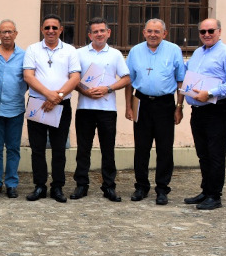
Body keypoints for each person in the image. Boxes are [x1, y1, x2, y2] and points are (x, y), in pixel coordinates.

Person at [124, 19, 187, 205]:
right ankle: (141, 186)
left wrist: (179, 107)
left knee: (164, 148)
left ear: (164, 34)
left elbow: (180, 81)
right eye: (149, 31)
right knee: (141, 148)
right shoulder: (135, 51)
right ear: (144, 32)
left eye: (157, 32)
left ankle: (162, 188)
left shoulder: (174, 50)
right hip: (141, 102)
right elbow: (129, 81)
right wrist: (128, 106)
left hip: (165, 104)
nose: (153, 34)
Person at [183, 18, 226, 211]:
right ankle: (206, 190)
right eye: (203, 32)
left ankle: (215, 196)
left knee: (216, 154)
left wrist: (209, 93)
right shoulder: (198, 53)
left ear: (219, 31)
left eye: (210, 31)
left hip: (217, 109)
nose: (206, 35)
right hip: (198, 110)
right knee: (203, 154)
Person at [22, 14, 81, 203]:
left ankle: (57, 187)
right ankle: (40, 185)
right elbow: (29, 76)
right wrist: (49, 95)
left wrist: (58, 97)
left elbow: (75, 78)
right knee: (37, 148)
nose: (51, 31)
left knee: (58, 149)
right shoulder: (32, 49)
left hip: (61, 105)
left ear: (61, 30)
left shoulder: (70, 50)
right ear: (42, 30)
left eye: (55, 28)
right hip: (37, 103)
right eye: (47, 27)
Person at [71, 18, 131, 202]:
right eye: (95, 31)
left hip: (107, 109)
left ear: (108, 32)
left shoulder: (115, 54)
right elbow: (73, 79)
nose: (99, 34)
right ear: (89, 35)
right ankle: (81, 185)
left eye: (102, 31)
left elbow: (126, 78)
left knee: (108, 149)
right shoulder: (79, 53)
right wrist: (84, 91)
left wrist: (108, 88)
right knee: (83, 149)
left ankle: (109, 186)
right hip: (85, 107)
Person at [0, 19, 26, 198]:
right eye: (3, 32)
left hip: (16, 108)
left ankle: (11, 183)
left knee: (13, 148)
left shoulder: (24, 55)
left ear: (16, 34)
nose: (7, 35)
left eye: (10, 32)